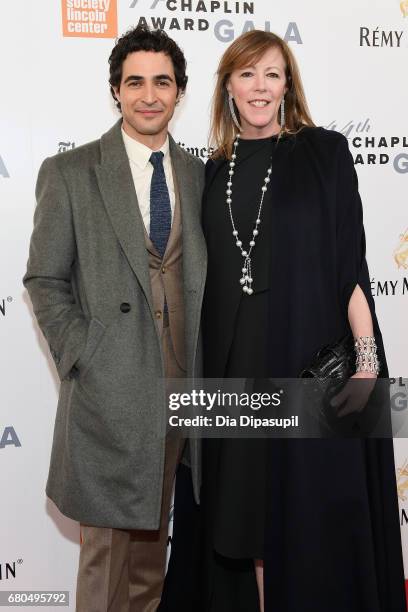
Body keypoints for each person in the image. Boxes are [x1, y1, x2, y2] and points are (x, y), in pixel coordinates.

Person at [200, 29, 406, 612]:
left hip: (307, 361)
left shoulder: (325, 153)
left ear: (288, 83)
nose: (259, 86)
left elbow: (351, 266)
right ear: (228, 87)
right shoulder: (213, 172)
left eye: (272, 73)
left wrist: (367, 365)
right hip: (234, 372)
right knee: (254, 525)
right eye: (247, 74)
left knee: (312, 519)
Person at [23, 26, 206, 612]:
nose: (149, 95)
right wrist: (85, 352)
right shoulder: (71, 171)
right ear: (115, 91)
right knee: (104, 555)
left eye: (162, 82)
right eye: (135, 82)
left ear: (180, 92)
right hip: (108, 389)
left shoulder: (201, 176)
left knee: (153, 550)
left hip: (183, 389)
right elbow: (45, 279)